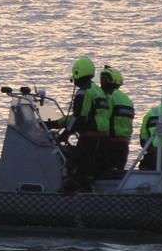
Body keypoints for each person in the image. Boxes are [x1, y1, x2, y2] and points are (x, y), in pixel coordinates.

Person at [47, 56, 110, 190]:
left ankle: (80, 197)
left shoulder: (84, 93)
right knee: (90, 170)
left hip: (90, 138)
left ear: (78, 73)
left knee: (77, 170)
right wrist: (54, 124)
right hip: (102, 137)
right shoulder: (96, 90)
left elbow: (79, 118)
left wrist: (65, 134)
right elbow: (78, 117)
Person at [97, 65, 134, 176]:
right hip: (123, 143)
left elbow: (103, 117)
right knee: (116, 175)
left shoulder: (107, 96)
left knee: (102, 173)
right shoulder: (126, 99)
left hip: (109, 142)